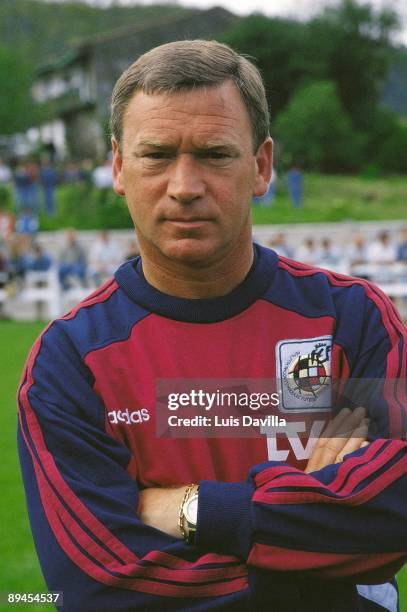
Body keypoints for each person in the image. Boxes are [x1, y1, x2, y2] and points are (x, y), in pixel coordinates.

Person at [18, 40, 406, 612]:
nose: (184, 186)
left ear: (262, 166)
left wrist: (189, 509)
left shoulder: (352, 318)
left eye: (214, 154)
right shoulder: (71, 360)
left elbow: (393, 512)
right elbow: (101, 585)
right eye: (156, 155)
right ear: (119, 168)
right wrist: (318, 562)